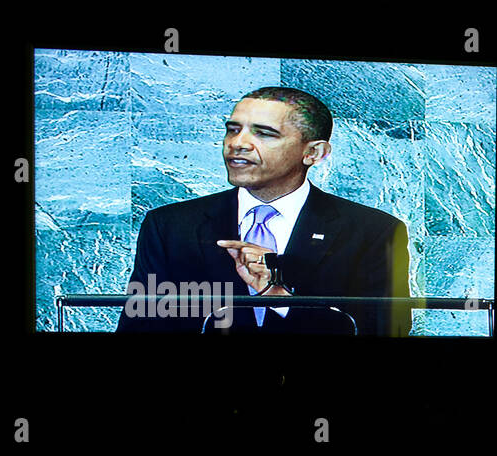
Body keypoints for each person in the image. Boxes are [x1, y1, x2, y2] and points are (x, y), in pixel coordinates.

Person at [117, 86, 410, 335]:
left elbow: (385, 332)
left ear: (314, 153)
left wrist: (277, 297)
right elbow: (139, 328)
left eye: (264, 133)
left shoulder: (372, 232)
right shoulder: (170, 225)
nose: (238, 144)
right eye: (233, 129)